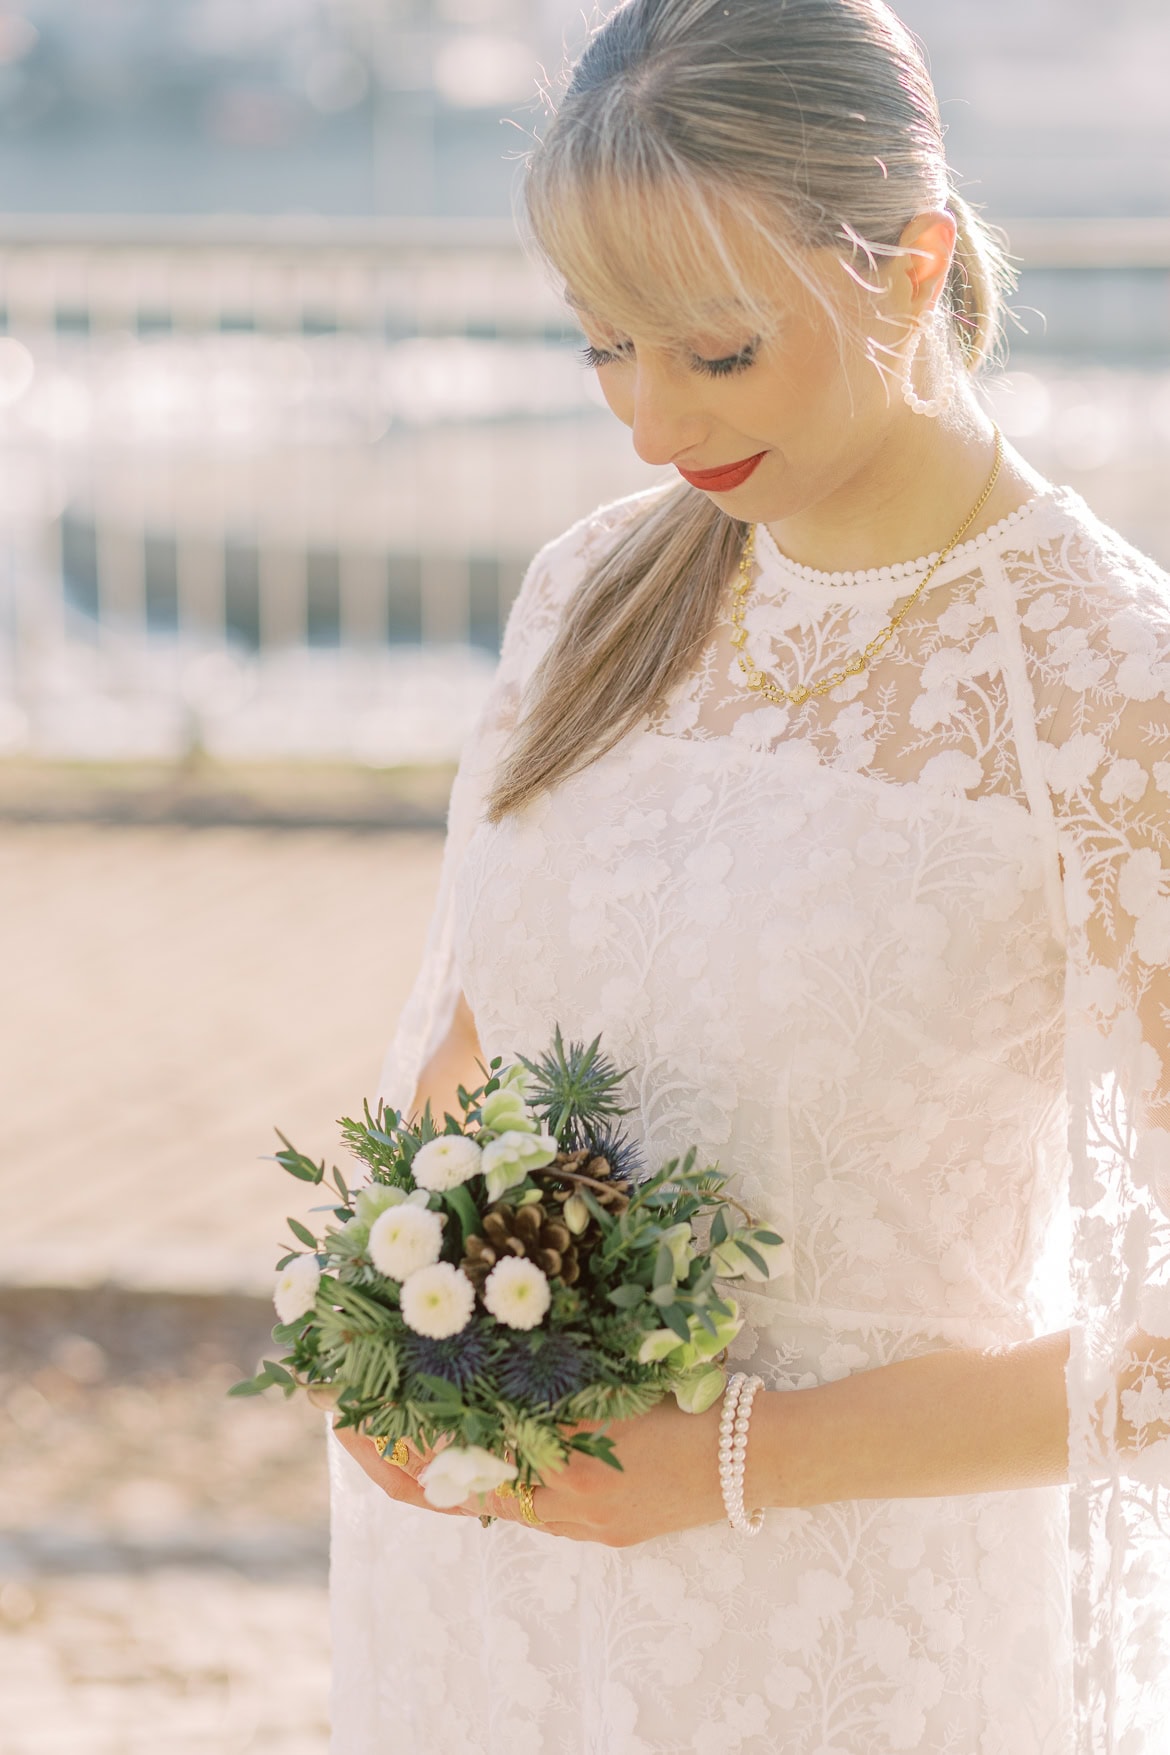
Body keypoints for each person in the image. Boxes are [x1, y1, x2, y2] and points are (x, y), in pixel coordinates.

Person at [327, 1, 1170, 1748]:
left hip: (861, 1631)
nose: (648, 429)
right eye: (600, 349)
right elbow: (477, 1041)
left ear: (907, 267)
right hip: (508, 1604)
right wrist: (395, 1338)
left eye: (710, 354)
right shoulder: (588, 597)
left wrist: (739, 1461)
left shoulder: (1106, 691)